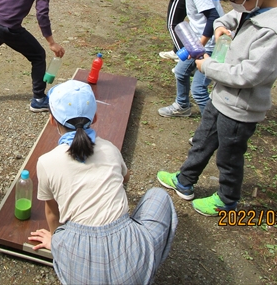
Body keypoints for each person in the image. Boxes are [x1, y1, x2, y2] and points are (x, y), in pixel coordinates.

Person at [157, 0, 277, 216]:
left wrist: (208, 66)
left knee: (229, 157)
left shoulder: (273, 31)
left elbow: (250, 75)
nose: (231, 4)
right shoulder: (252, 9)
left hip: (241, 109)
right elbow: (228, 17)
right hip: (220, 97)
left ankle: (227, 199)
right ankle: (185, 180)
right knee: (202, 140)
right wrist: (219, 27)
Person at [28, 80, 177, 285]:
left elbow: (52, 212)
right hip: (132, 264)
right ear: (95, 117)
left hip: (78, 269)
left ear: (53, 120)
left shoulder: (46, 162)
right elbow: (125, 178)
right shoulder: (110, 149)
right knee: (158, 195)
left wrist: (55, 242)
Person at [149, 0, 223, 117]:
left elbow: (214, 18)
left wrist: (199, 47)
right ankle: (182, 106)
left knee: (198, 90)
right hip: (199, 43)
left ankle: (213, 129)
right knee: (181, 72)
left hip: (212, 46)